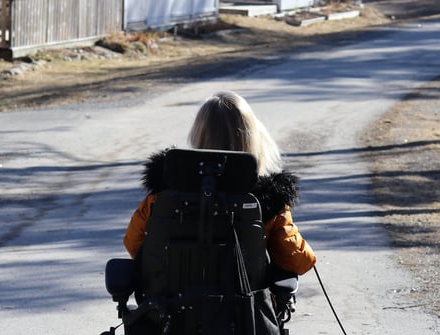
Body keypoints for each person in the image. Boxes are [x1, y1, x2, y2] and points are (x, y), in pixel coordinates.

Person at [123, 91, 317, 277]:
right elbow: (298, 262)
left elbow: (135, 245)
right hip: (243, 307)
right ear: (252, 136)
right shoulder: (267, 200)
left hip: (171, 305)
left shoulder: (164, 194)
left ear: (198, 134)